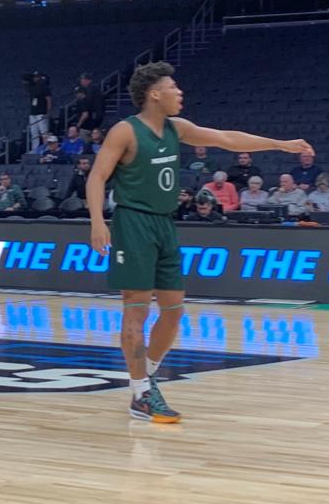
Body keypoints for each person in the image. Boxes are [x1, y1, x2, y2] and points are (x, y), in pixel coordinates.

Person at [87, 61, 311, 424]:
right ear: (154, 93)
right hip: (133, 223)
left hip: (164, 224)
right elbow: (97, 177)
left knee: (174, 310)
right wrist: (98, 222)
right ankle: (141, 392)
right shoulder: (124, 132)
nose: (180, 92)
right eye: (172, 87)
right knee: (136, 308)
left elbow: (227, 138)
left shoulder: (178, 128)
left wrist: (280, 145)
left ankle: (148, 378)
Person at [26, 71, 52, 150]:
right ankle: (35, 149)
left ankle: (46, 149)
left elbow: (49, 100)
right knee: (34, 133)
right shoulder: (32, 87)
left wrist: (48, 112)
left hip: (41, 112)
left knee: (43, 132)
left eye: (37, 77)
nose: (35, 78)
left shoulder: (45, 87)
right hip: (33, 112)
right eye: (34, 77)